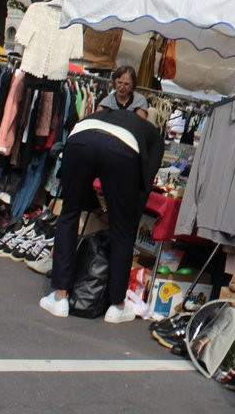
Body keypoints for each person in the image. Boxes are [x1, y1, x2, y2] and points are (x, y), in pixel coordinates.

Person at [39, 107, 163, 321]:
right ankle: (117, 306)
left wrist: (96, 207)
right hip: (122, 148)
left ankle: (60, 298)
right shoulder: (155, 137)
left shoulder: (107, 115)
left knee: (69, 214)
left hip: (80, 138)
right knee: (122, 229)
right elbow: (144, 183)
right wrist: (129, 217)